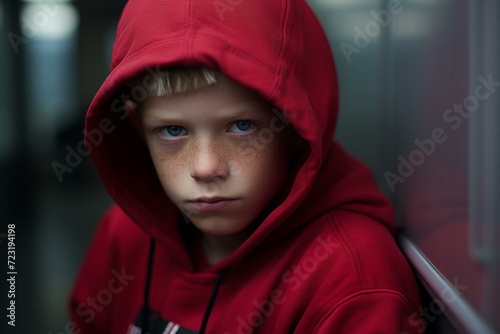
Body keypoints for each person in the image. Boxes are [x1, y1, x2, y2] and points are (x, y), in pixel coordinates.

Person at [69, 0, 423, 333]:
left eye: (242, 126)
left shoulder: (352, 279)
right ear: (138, 129)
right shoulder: (124, 235)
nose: (206, 168)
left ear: (295, 127)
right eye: (172, 130)